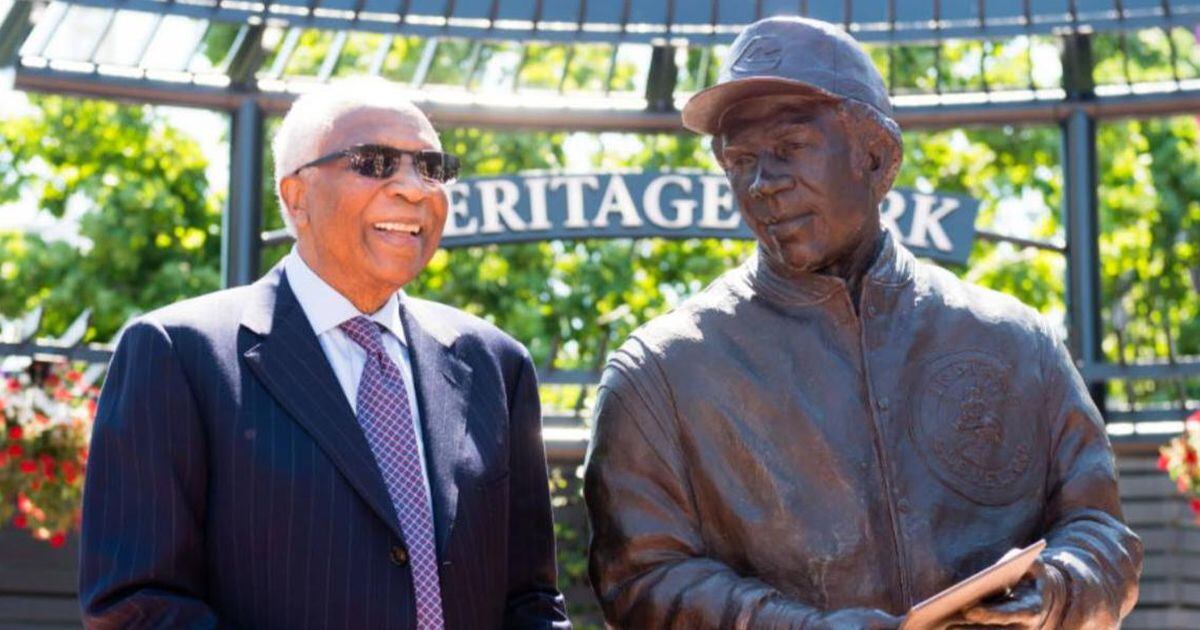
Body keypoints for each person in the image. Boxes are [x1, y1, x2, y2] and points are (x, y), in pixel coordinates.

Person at [584, 16, 1141, 630]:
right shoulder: (659, 375)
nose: (763, 184)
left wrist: (1059, 588)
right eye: (741, 160)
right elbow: (640, 578)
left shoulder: (1015, 341)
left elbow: (1101, 533)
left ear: (875, 157)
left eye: (790, 148)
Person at [79, 80, 570, 629]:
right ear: (296, 196)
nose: (413, 187)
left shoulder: (495, 365)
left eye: (431, 166)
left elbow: (530, 599)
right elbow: (137, 604)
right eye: (374, 163)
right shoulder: (178, 355)